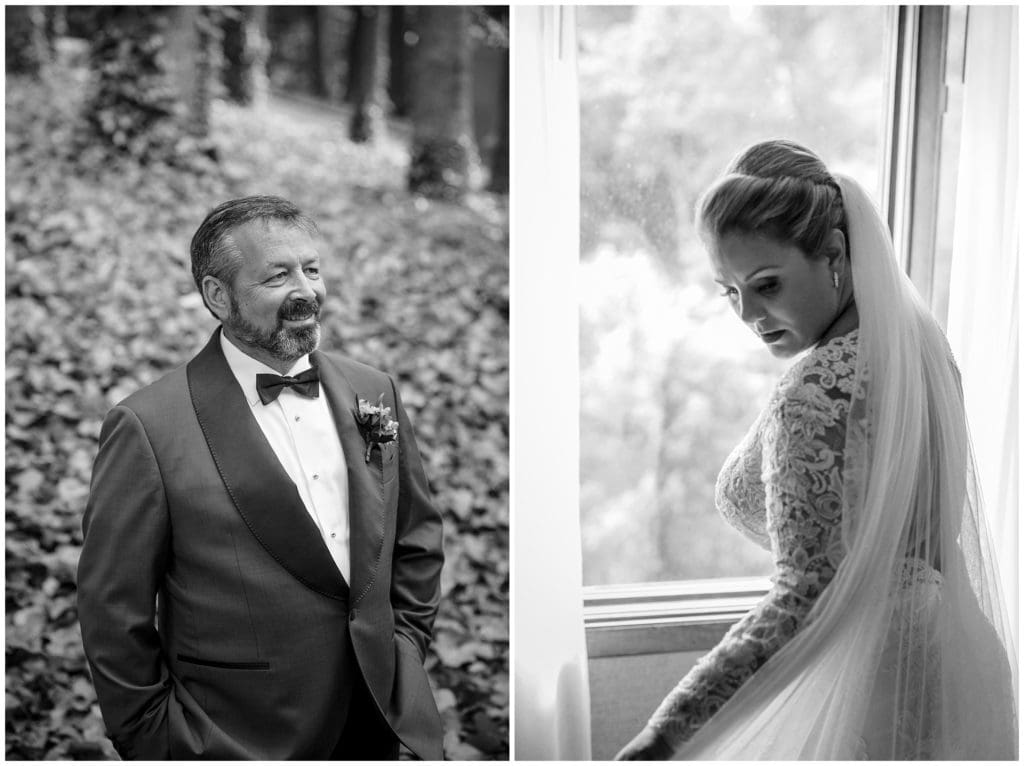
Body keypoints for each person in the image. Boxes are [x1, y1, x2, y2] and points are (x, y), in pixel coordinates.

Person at [615, 140, 1017, 760]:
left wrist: (665, 732)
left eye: (766, 284)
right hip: (954, 655)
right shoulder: (918, 343)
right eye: (729, 291)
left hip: (870, 681)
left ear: (832, 252)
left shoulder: (814, 390)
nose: (748, 313)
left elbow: (803, 594)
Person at [77, 196, 445, 760]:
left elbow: (416, 538)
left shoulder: (373, 390)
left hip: (382, 719)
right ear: (217, 296)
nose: (307, 291)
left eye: (312, 269)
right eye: (279, 275)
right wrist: (153, 738)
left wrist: (405, 649)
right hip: (237, 737)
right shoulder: (148, 427)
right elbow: (111, 610)